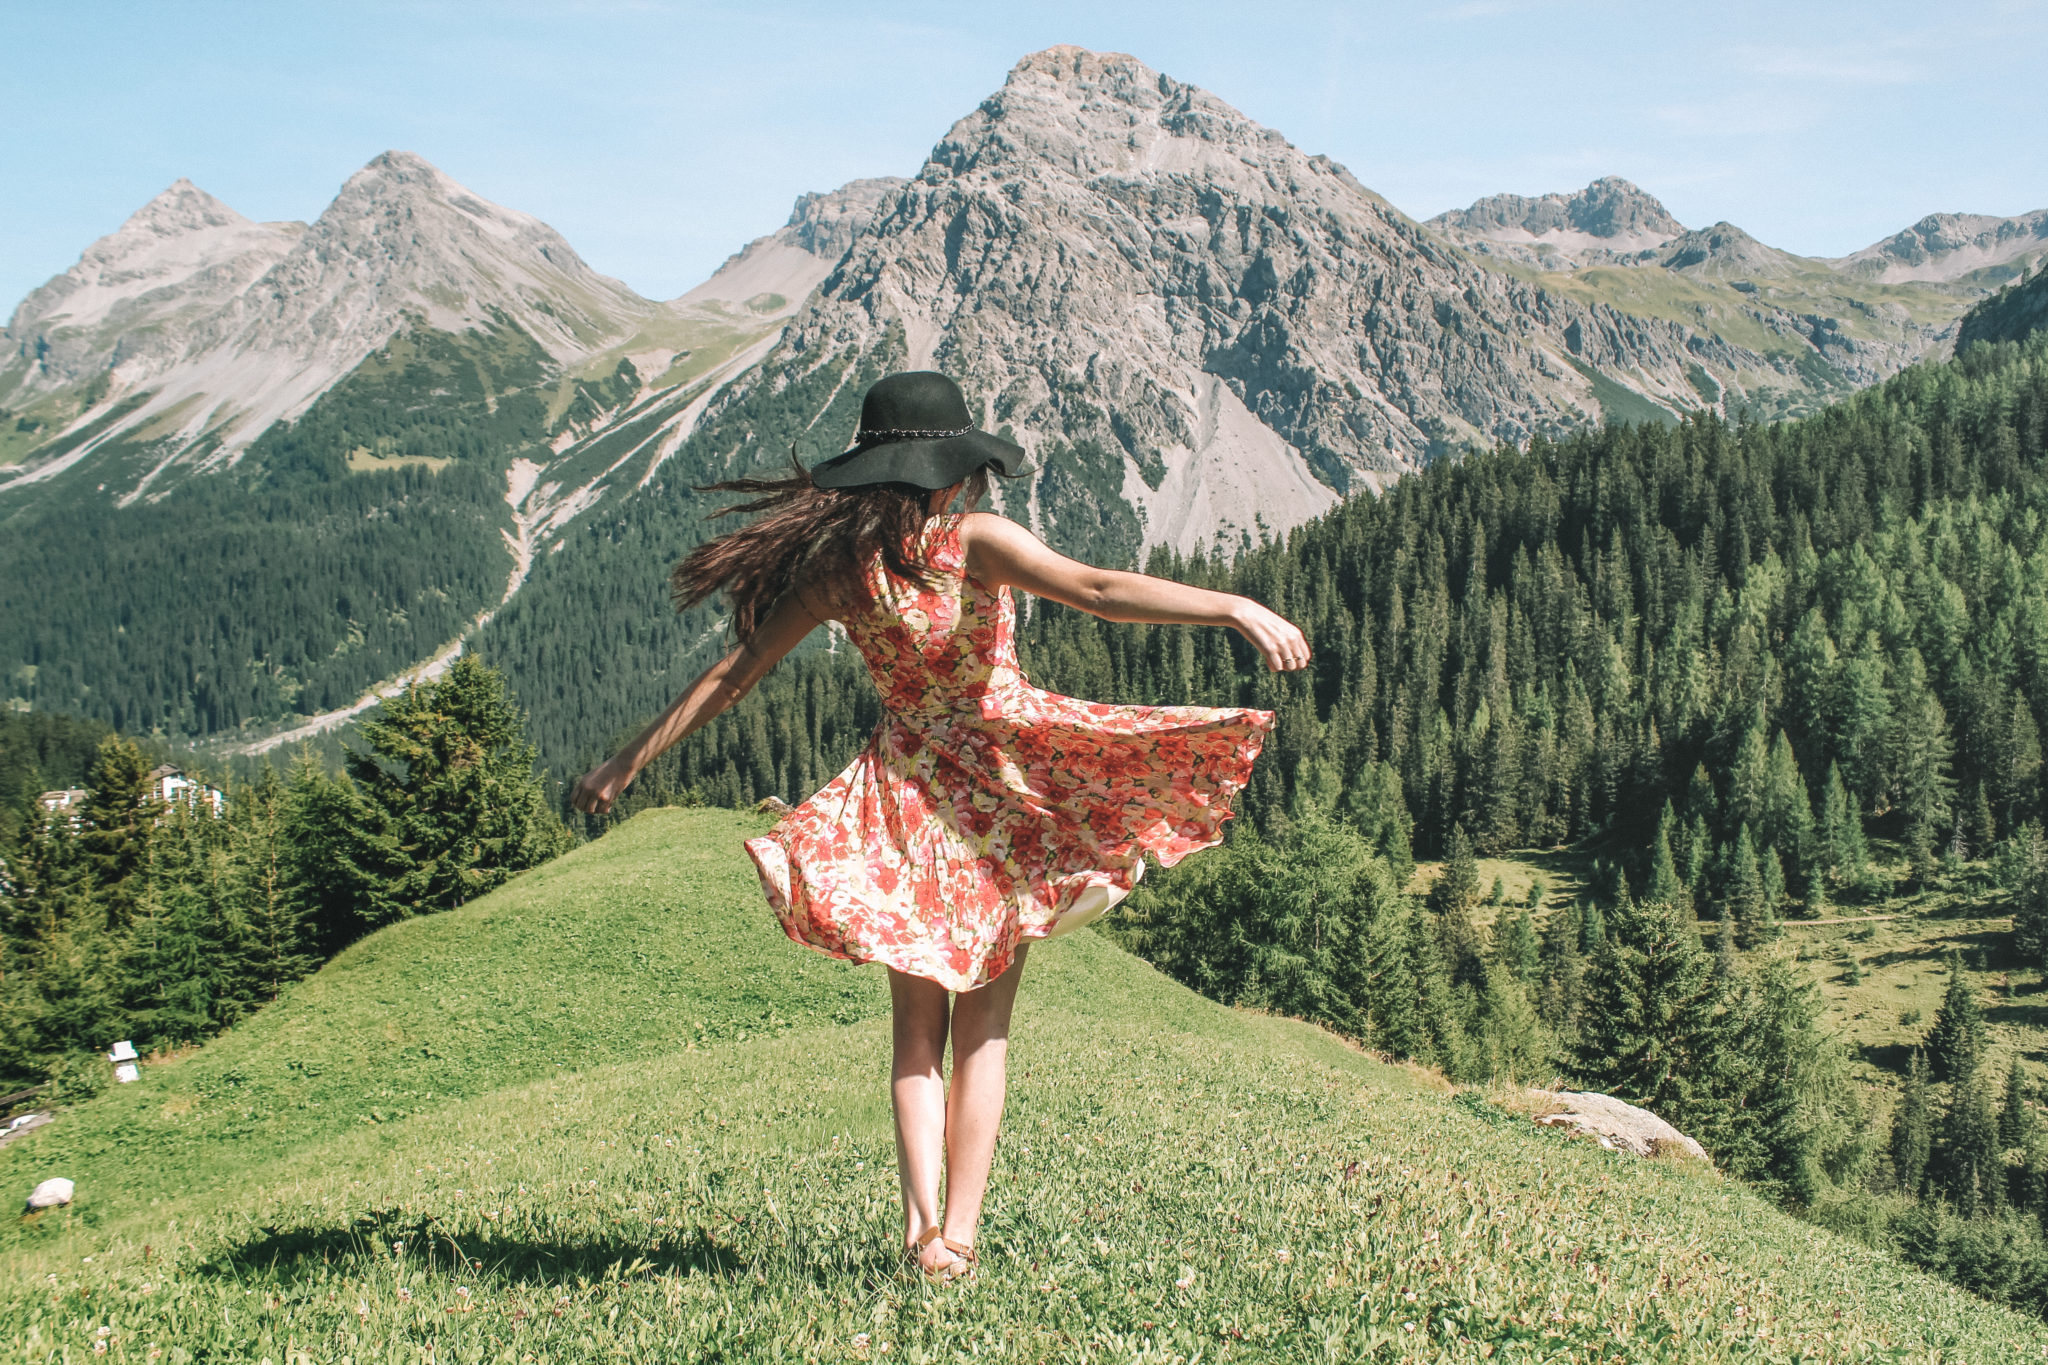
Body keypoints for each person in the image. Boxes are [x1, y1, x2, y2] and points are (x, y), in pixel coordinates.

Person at [571, 371, 1309, 1282]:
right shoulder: (973, 541)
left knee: (914, 1033)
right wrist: (1232, 605)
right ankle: (955, 1236)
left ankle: (923, 1232)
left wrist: (625, 763)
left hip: (906, 799)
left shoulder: (837, 572)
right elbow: (1099, 587)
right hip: (997, 793)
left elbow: (734, 676)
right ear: (947, 473)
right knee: (984, 1028)